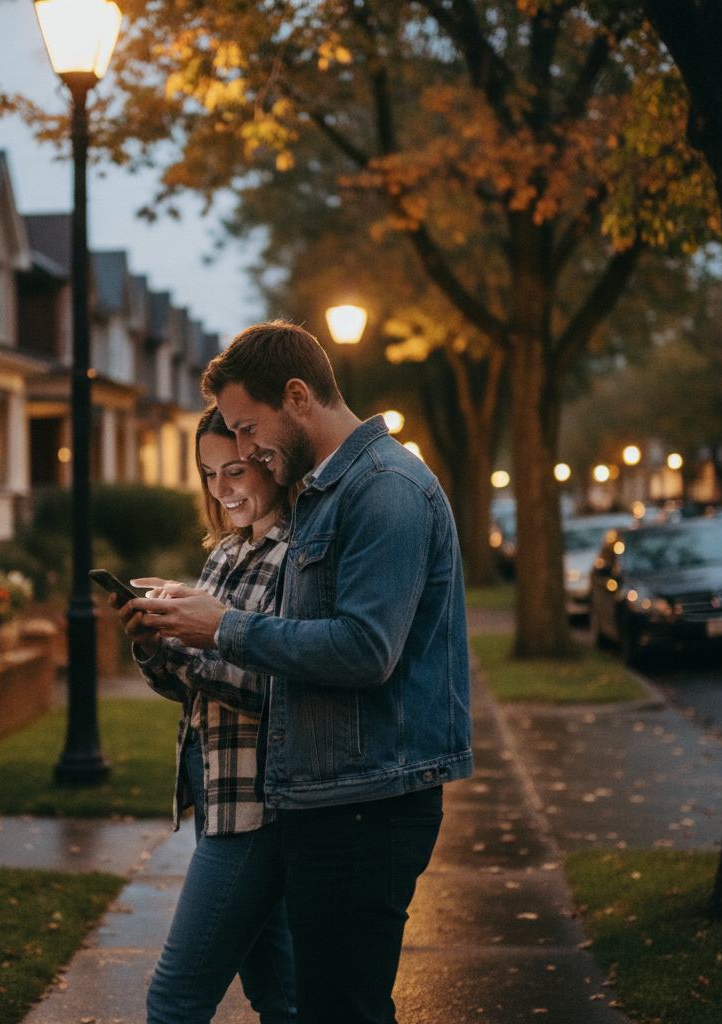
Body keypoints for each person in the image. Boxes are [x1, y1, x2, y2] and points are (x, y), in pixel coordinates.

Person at [126, 321, 473, 1024]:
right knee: (309, 1007)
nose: (246, 450)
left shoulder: (384, 488)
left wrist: (218, 627)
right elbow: (300, 644)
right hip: (323, 796)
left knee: (342, 1010)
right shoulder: (327, 494)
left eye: (249, 429)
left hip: (369, 802)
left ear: (297, 396)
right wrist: (183, 629)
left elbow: (364, 650)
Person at [117, 404, 299, 1024]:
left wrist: (196, 638)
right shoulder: (224, 554)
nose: (222, 489)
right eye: (208, 473)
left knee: (174, 1000)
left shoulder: (296, 557)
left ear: (272, 465)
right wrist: (151, 642)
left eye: (236, 470)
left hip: (256, 807)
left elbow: (280, 686)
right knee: (281, 996)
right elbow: (191, 690)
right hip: (212, 787)